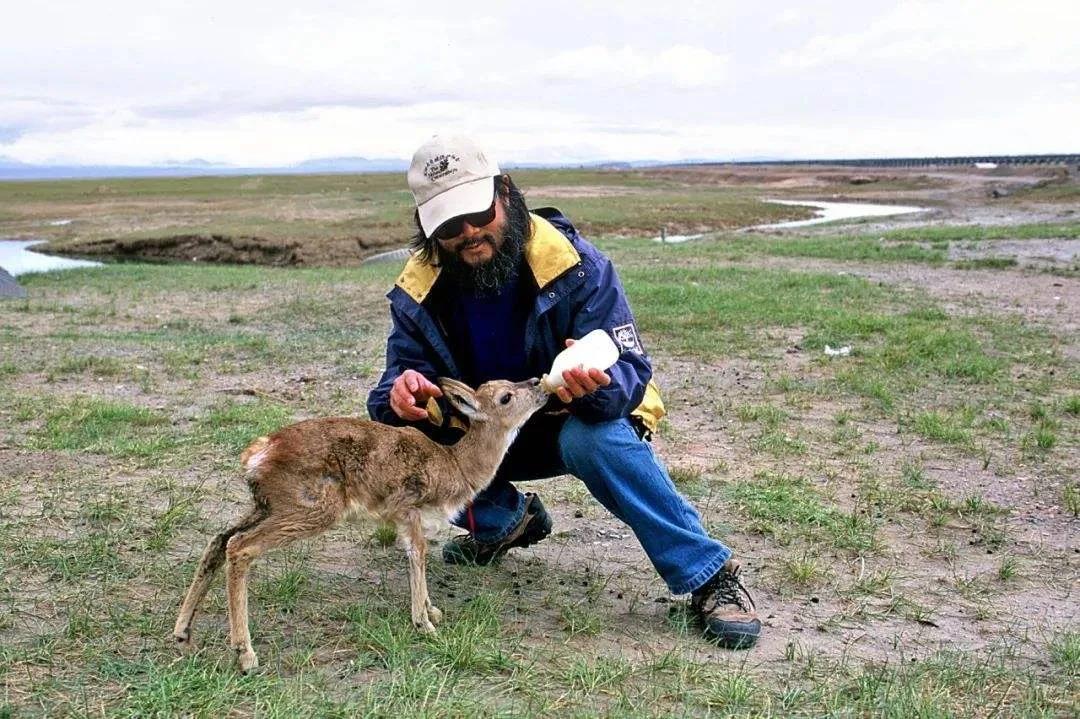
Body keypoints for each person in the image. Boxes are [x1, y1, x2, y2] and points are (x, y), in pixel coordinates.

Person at [367, 134, 761, 649]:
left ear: (504, 193)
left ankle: (707, 573)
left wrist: (591, 389)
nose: (468, 232)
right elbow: (391, 386)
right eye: (447, 224)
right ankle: (506, 518)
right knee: (397, 440)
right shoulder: (418, 290)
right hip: (481, 437)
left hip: (564, 425)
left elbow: (631, 374)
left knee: (596, 438)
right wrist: (403, 395)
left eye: (477, 212)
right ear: (427, 229)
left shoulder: (578, 267)